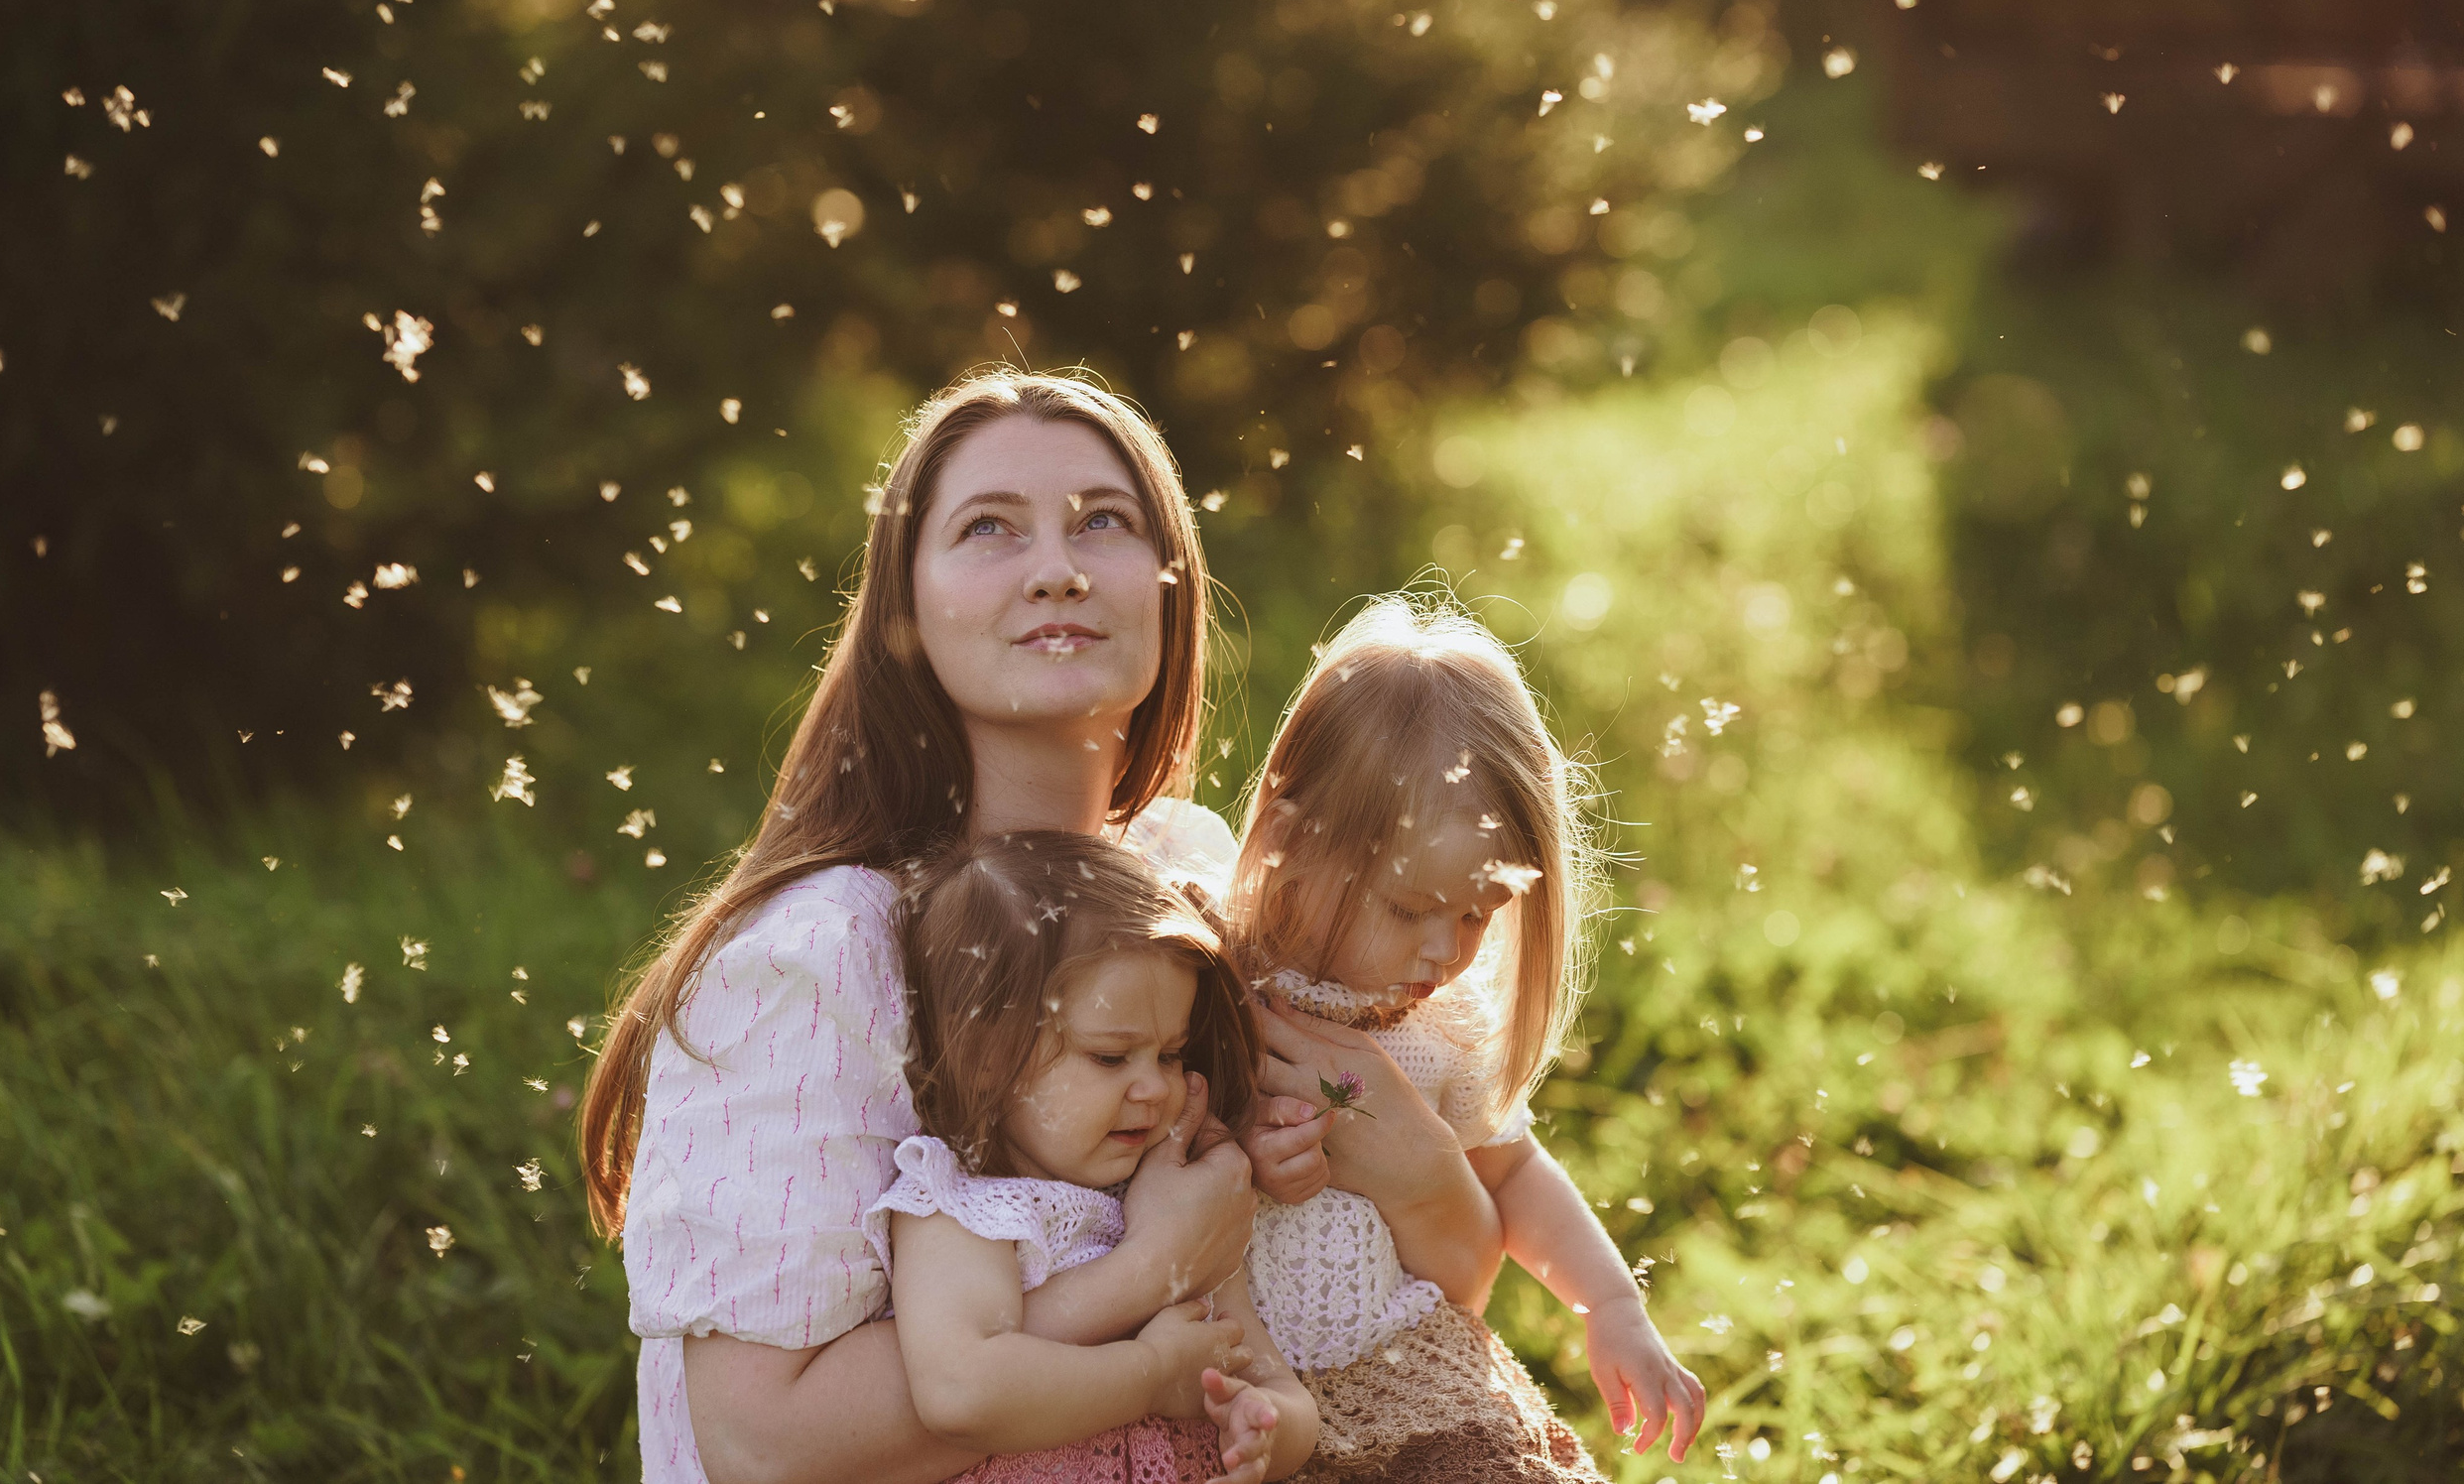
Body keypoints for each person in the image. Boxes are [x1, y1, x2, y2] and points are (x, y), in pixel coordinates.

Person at [575, 370, 1492, 1484]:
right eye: (989, 528)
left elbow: (1386, 1307)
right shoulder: (815, 956)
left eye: (1103, 522)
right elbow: (761, 1445)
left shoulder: (1187, 880)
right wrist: (1151, 1271)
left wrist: (1423, 1176)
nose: (1056, 568)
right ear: (905, 613)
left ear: (1170, 589)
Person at [1223, 594, 1707, 1480]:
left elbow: (1512, 1169)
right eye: (1411, 908)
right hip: (1236, 1375)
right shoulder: (1211, 976)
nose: (1446, 950)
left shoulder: (1439, 1028)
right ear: (1291, 842)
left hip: (1404, 1366)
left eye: (1480, 915)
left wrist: (1609, 1302)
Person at [872, 830, 1318, 1484]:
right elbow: (961, 1387)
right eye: (1111, 1056)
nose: (1156, 1087)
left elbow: (1281, 1385)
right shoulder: (968, 1205)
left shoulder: (1175, 1201)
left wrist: (1263, 1421)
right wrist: (1149, 1375)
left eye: (1170, 1053)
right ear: (990, 1053)